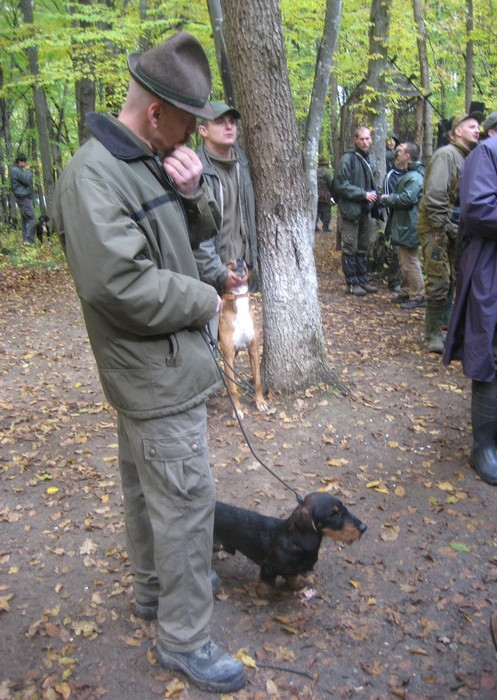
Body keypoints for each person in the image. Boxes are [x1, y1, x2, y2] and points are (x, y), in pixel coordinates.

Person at [51, 32, 246, 693]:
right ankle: (185, 640)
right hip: (151, 372)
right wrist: (203, 299)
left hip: (161, 367)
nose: (197, 134)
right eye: (191, 119)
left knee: (147, 488)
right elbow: (119, 286)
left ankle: (154, 590)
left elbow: (196, 234)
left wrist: (194, 193)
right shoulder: (92, 175)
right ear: (157, 112)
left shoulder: (152, 158)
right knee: (188, 503)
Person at [443, 85, 497, 487]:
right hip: (495, 267)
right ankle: (482, 446)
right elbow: (477, 208)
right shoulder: (489, 153)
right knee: (493, 352)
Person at [416, 112, 480, 353]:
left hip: (452, 227)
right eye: (471, 126)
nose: (477, 129)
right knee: (440, 280)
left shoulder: (466, 157)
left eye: (478, 126)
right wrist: (441, 229)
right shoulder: (446, 155)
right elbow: (435, 195)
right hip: (436, 227)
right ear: (456, 132)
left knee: (452, 278)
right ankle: (432, 334)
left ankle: (445, 326)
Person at [194, 101, 258, 295]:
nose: (229, 126)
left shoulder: (243, 164)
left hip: (240, 269)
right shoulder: (194, 170)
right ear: (203, 131)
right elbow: (194, 236)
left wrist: (249, 264)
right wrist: (219, 273)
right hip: (207, 276)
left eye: (232, 121)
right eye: (220, 122)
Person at [333, 125, 380, 296]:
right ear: (355, 140)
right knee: (350, 246)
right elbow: (340, 185)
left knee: (362, 246)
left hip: (365, 211)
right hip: (351, 211)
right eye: (362, 139)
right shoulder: (348, 159)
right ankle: (352, 283)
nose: (365, 142)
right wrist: (363, 194)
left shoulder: (370, 159)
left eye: (368, 138)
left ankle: (362, 279)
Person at [381, 142, 425, 309]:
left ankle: (418, 295)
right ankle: (407, 291)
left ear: (407, 156)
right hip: (405, 223)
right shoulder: (410, 174)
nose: (396, 153)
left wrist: (388, 198)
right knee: (403, 259)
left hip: (410, 224)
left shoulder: (414, 177)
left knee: (410, 261)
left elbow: (408, 198)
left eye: (399, 151)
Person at [382, 146, 405, 294]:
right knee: (397, 251)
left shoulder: (413, 173)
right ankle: (394, 281)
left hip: (410, 219)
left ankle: (405, 281)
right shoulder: (391, 175)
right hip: (396, 219)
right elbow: (387, 199)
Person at [10, 153, 37, 244]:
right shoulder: (16, 171)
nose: (25, 163)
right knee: (31, 218)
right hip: (23, 197)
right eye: (24, 161)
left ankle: (26, 241)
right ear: (20, 162)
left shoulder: (17, 170)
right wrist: (28, 171)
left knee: (25, 219)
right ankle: (29, 241)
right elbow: (27, 180)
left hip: (22, 197)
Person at [316, 157, 333, 233]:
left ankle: (314, 226)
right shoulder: (327, 173)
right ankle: (325, 227)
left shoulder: (315, 172)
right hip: (325, 195)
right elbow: (331, 184)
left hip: (315, 194)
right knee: (326, 211)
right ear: (326, 164)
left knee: (316, 211)